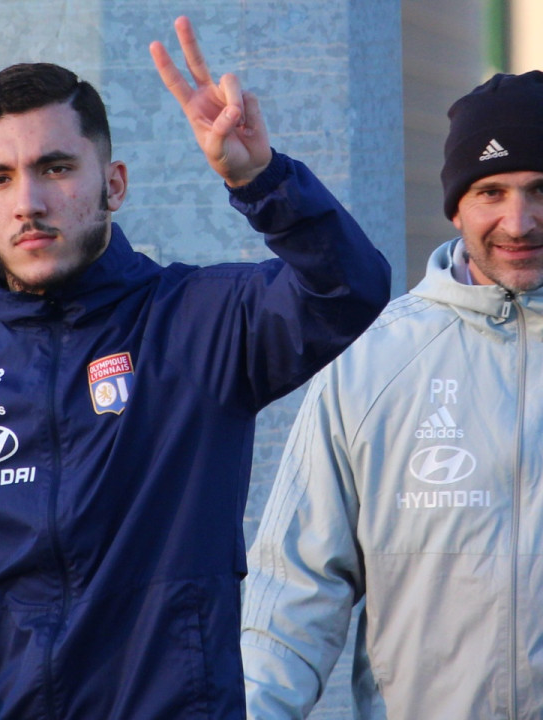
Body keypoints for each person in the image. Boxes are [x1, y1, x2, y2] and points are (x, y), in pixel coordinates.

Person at [0, 16, 391, 720]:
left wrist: (263, 180)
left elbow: (349, 288)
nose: (29, 202)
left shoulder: (200, 323)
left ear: (114, 183)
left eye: (56, 168)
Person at [241, 70, 543, 720]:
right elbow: (294, 590)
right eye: (491, 191)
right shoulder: (372, 361)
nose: (519, 222)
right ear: (456, 206)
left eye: (541, 189)